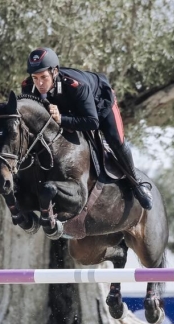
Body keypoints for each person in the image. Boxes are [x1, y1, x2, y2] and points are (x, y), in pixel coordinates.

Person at [20, 47, 153, 210]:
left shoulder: (77, 86)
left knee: (115, 140)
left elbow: (92, 122)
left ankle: (137, 184)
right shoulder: (28, 87)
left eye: (43, 77)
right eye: (35, 77)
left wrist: (61, 119)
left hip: (99, 105)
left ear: (54, 72)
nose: (39, 83)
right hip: (68, 108)